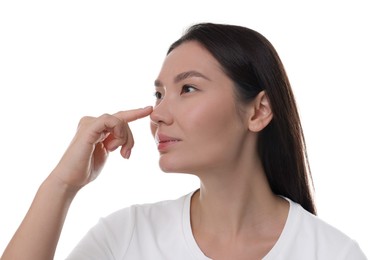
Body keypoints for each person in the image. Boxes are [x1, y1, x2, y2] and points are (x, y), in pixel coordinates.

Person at [1, 23, 367, 260]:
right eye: (159, 94)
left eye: (188, 88)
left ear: (258, 112)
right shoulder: (126, 237)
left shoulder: (332, 252)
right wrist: (62, 185)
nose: (157, 114)